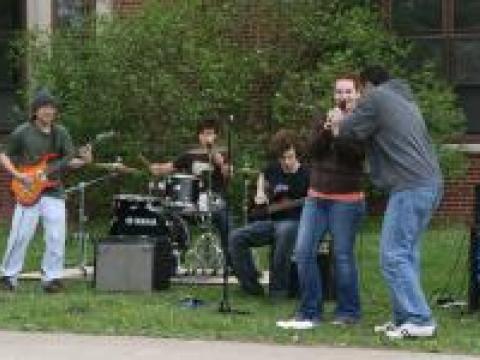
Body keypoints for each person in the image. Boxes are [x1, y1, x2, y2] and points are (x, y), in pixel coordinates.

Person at [329, 65, 443, 339]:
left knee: (392, 255)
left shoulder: (377, 98)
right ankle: (405, 317)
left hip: (411, 185)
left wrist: (338, 119)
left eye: (359, 91)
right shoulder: (404, 100)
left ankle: (420, 319)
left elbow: (347, 132)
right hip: (426, 183)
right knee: (406, 253)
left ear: (367, 86)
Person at [277, 74, 366, 330]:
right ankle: (309, 312)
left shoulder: (362, 122)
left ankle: (349, 312)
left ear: (358, 95)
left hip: (346, 201)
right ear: (333, 95)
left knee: (342, 256)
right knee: (303, 252)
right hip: (317, 198)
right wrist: (328, 130)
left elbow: (356, 156)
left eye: (349, 92)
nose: (343, 96)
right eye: (339, 92)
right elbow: (311, 151)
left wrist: (340, 131)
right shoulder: (322, 119)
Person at [0, 88, 92, 293]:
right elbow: (4, 156)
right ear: (35, 111)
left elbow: (68, 162)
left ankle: (52, 279)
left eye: (51, 108)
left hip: (53, 190)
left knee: (56, 235)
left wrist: (85, 160)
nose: (48, 111)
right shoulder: (23, 131)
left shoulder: (61, 133)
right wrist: (17, 175)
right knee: (20, 235)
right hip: (27, 189)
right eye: (44, 108)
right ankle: (8, 276)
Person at [228, 129, 309, 297]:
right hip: (271, 221)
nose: (286, 162)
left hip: (295, 222)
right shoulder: (273, 169)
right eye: (283, 158)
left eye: (290, 156)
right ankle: (251, 288)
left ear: (296, 153)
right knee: (236, 237)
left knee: (284, 231)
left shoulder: (306, 174)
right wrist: (260, 192)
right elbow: (262, 175)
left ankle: (278, 290)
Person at [149, 117, 232, 263]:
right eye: (205, 134)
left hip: (215, 200)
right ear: (199, 136)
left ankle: (231, 261)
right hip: (192, 201)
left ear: (216, 136)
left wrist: (221, 162)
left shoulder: (223, 153)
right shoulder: (190, 154)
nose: (208, 137)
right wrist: (157, 168)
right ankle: (173, 258)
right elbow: (168, 167)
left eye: (211, 133)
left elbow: (229, 174)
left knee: (225, 220)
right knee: (168, 214)